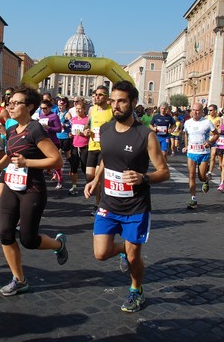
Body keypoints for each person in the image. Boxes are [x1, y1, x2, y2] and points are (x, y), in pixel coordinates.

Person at [84, 81, 169, 313]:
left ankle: (136, 290)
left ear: (133, 103)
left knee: (134, 259)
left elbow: (164, 171)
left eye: (122, 101)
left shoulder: (145, 135)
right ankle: (123, 249)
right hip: (108, 203)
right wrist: (95, 179)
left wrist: (144, 178)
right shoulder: (105, 129)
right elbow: (105, 159)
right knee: (100, 254)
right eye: (113, 101)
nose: (116, 105)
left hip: (135, 207)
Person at [0, 86, 67, 297]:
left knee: (28, 240)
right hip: (12, 186)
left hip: (32, 189)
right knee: (5, 233)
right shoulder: (11, 129)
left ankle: (58, 244)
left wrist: (27, 161)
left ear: (29, 107)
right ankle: (19, 279)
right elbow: (9, 156)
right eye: (9, 102)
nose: (10, 106)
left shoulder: (36, 129)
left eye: (15, 103)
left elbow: (56, 160)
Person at [182, 103, 218, 210]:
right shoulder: (187, 122)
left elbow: (216, 134)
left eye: (198, 110)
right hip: (192, 152)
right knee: (191, 175)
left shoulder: (207, 122)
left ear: (202, 111)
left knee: (201, 175)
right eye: (193, 110)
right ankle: (193, 199)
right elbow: (185, 134)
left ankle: (205, 180)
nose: (195, 112)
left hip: (203, 153)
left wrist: (210, 142)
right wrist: (185, 146)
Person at [85, 86, 112, 214]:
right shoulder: (91, 109)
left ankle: (98, 204)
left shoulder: (112, 110)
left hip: (105, 148)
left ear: (107, 97)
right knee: (89, 175)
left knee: (98, 177)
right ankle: (102, 198)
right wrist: (86, 130)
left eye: (100, 95)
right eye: (95, 94)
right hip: (92, 146)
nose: (97, 97)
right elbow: (87, 123)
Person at [38, 99, 63, 188]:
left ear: (50, 108)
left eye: (45, 108)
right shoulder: (41, 115)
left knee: (55, 162)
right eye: (41, 108)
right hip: (42, 141)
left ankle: (60, 180)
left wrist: (48, 127)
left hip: (53, 142)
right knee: (40, 161)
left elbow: (58, 129)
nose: (43, 110)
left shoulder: (54, 116)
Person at [68, 99, 90, 196]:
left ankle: (88, 185)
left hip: (85, 146)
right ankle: (74, 186)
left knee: (85, 168)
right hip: (74, 145)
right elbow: (72, 132)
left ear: (84, 109)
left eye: (80, 109)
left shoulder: (87, 120)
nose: (78, 111)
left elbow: (90, 134)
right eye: (76, 109)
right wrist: (71, 135)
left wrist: (82, 133)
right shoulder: (73, 120)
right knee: (73, 168)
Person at [206, 104, 221, 180]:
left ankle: (210, 172)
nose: (210, 112)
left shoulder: (219, 119)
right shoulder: (206, 118)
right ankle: (206, 166)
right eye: (209, 110)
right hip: (207, 139)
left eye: (211, 110)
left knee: (213, 156)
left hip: (215, 139)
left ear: (215, 111)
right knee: (206, 156)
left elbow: (221, 129)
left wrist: (218, 130)